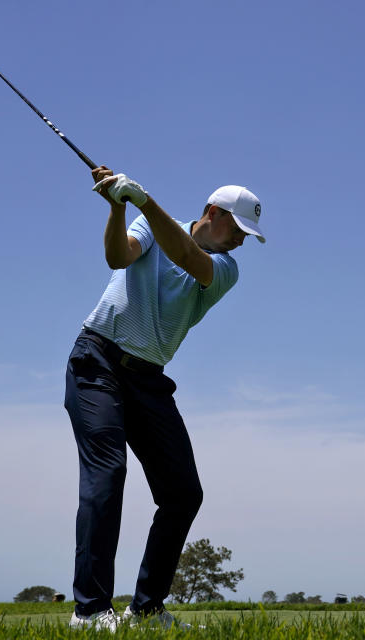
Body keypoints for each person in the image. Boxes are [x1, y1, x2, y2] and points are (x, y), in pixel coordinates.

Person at [64, 166, 265, 630]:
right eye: (238, 228)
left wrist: (141, 199)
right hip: (97, 362)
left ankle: (147, 609)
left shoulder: (225, 269)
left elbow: (189, 256)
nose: (240, 241)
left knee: (182, 493)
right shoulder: (149, 226)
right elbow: (118, 257)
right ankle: (90, 611)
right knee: (108, 473)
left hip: (148, 380)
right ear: (212, 212)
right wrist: (119, 206)